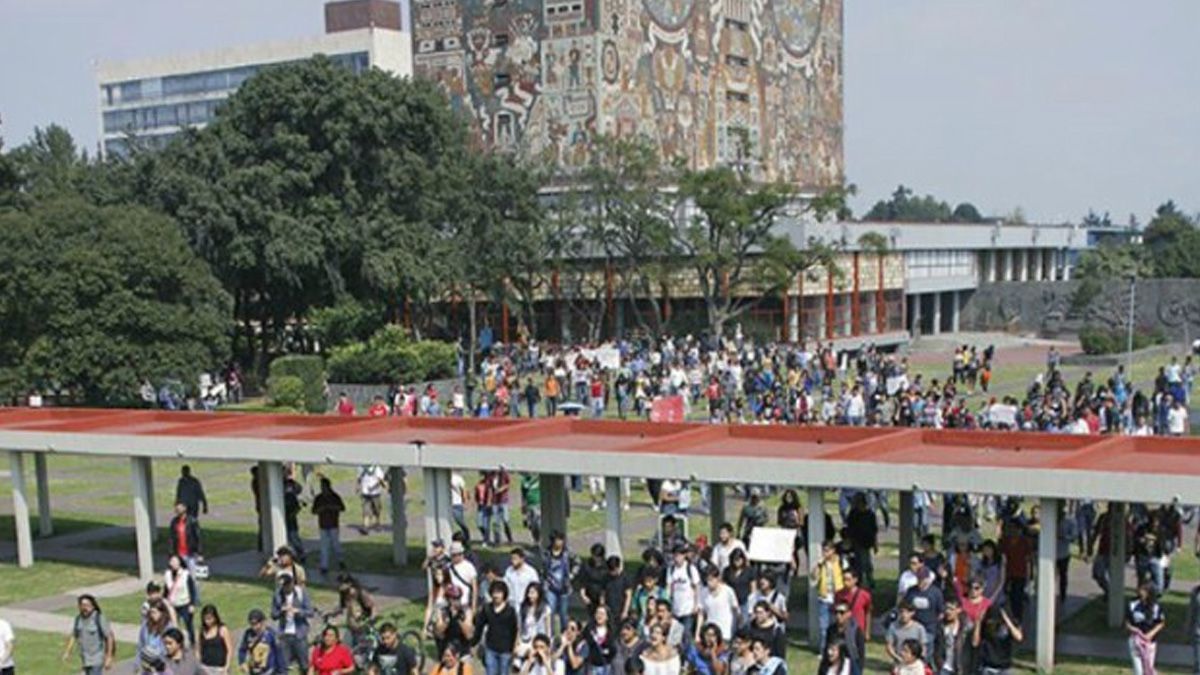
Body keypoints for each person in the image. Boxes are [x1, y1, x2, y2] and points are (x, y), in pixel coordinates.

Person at [271, 573, 313, 672]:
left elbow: (310, 612)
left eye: (286, 585)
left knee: (304, 665)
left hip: (299, 634)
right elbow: (273, 614)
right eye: (282, 586)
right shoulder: (277, 594)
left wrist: (298, 611)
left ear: (292, 584)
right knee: (283, 665)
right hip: (284, 634)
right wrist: (281, 611)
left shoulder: (301, 593)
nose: (284, 589)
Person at [63, 594, 115, 675]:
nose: (84, 608)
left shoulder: (99, 618)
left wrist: (109, 657)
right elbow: (74, 636)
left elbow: (109, 637)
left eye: (87, 605)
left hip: (96, 658)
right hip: (84, 659)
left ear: (93, 606)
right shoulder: (78, 619)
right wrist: (67, 652)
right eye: (82, 605)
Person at [477, 581, 520, 675]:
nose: (496, 595)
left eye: (499, 592)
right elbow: (479, 626)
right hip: (491, 647)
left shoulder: (510, 611)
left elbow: (515, 629)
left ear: (504, 594)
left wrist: (514, 647)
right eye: (494, 592)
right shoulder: (487, 608)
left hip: (506, 649)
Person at [809, 541, 843, 653]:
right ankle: (824, 650)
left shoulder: (840, 561)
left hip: (837, 597)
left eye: (827, 550)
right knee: (824, 627)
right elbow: (813, 577)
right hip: (824, 597)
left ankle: (837, 648)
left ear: (833, 551)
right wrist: (818, 565)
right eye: (823, 550)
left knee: (836, 625)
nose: (824, 553)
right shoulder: (822, 564)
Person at [1126, 582, 1165, 675]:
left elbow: (1161, 623)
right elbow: (1127, 622)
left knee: (1148, 669)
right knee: (1139, 671)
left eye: (1144, 590)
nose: (1141, 592)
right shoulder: (1132, 605)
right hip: (1136, 641)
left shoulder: (1156, 607)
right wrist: (1133, 629)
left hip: (1150, 643)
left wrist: (1150, 634)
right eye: (1141, 589)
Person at [312, 476, 347, 576]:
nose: (323, 489)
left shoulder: (335, 497)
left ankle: (340, 560)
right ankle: (324, 566)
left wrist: (331, 507)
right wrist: (322, 509)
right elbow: (314, 511)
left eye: (324, 487)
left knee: (336, 544)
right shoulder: (319, 498)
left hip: (333, 524)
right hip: (323, 525)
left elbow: (342, 508)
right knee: (324, 546)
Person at [971, 607, 1022, 675]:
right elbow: (975, 643)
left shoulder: (1007, 627)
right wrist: (978, 622)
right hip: (988, 666)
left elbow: (1019, 637)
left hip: (1005, 667)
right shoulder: (984, 626)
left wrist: (1008, 621)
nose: (992, 624)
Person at [165, 554, 200, 647]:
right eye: (172, 561)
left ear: (180, 562)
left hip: (185, 604)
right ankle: (178, 644)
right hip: (173, 605)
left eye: (175, 561)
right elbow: (166, 590)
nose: (173, 563)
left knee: (188, 624)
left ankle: (192, 642)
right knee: (175, 626)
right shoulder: (168, 574)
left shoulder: (185, 574)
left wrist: (192, 604)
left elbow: (192, 590)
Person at [699, 568, 740, 642]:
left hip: (725, 632)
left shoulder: (728, 591)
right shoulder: (703, 592)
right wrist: (697, 633)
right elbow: (701, 613)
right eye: (707, 580)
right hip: (710, 632)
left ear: (718, 578)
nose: (709, 583)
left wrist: (735, 628)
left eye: (711, 579)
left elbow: (736, 610)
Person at [238, 609, 283, 675]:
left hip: (269, 671)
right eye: (251, 624)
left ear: (263, 622)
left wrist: (282, 671)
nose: (254, 627)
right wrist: (242, 662)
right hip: (254, 670)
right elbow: (242, 650)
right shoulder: (248, 634)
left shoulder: (271, 634)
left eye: (256, 624)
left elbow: (279, 653)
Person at [885, 602, 927, 668]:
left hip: (915, 663)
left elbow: (923, 648)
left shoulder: (919, 628)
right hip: (899, 661)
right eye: (901, 612)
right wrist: (898, 658)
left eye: (907, 612)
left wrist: (916, 660)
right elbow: (889, 646)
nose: (904, 614)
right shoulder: (893, 626)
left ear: (912, 613)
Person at [198, 604, 234, 675]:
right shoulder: (202, 631)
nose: (208, 621)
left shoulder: (222, 629)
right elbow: (199, 649)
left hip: (220, 668)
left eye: (210, 618)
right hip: (206, 667)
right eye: (205, 619)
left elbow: (230, 649)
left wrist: (227, 666)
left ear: (215, 617)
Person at [169, 501, 203, 571]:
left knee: (191, 576)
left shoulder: (192, 521)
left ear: (185, 508)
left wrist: (199, 553)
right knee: (180, 575)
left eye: (179, 507)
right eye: (176, 507)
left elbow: (198, 537)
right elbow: (171, 539)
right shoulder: (174, 522)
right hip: (178, 554)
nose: (177, 508)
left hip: (190, 554)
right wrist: (171, 554)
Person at [358, 464, 388, 534]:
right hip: (365, 493)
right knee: (366, 510)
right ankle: (365, 527)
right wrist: (358, 486)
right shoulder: (361, 467)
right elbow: (359, 478)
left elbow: (380, 479)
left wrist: (384, 485)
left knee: (376, 509)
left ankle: (377, 523)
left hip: (375, 493)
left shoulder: (376, 468)